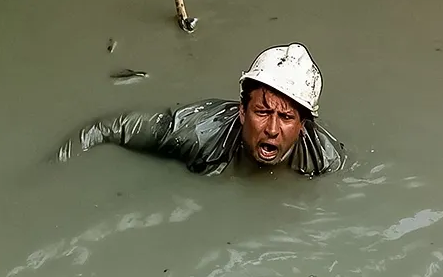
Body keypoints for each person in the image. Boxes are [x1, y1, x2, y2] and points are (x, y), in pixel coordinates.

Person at [57, 43, 345, 177]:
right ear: (242, 111)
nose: (272, 129)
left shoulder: (325, 159)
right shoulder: (197, 131)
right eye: (262, 112)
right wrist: (57, 166)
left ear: (303, 125)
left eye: (286, 117)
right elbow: (111, 127)